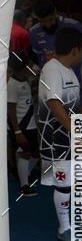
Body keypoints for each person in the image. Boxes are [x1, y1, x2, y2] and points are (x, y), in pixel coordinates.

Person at [37, 26, 82, 241]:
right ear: (75, 50)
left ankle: (69, 223)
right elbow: (54, 103)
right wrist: (75, 133)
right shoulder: (52, 68)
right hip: (55, 138)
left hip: (68, 136)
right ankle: (64, 228)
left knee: (70, 181)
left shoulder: (69, 71)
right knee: (63, 182)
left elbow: (73, 105)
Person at [7, 53, 39, 197]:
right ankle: (24, 186)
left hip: (31, 124)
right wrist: (17, 132)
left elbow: (36, 74)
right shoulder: (12, 85)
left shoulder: (25, 79)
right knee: (25, 153)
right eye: (27, 65)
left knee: (36, 153)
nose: (30, 66)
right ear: (22, 68)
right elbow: (11, 110)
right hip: (21, 125)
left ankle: (23, 174)